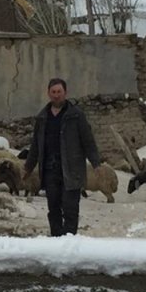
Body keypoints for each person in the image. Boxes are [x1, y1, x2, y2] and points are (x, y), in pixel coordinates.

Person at [23, 78, 100, 237]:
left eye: (59, 92)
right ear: (48, 94)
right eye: (53, 92)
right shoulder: (42, 117)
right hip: (50, 169)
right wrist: (28, 167)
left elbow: (88, 141)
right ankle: (56, 240)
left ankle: (69, 241)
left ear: (65, 93)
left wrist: (96, 163)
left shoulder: (76, 116)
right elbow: (36, 145)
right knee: (54, 207)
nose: (56, 95)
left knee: (70, 207)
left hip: (71, 168)